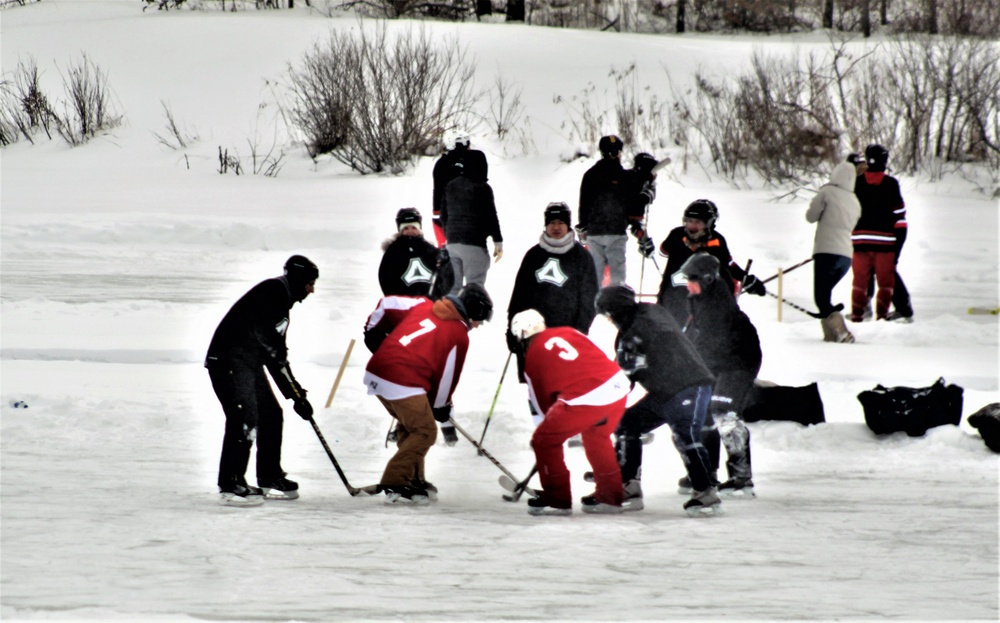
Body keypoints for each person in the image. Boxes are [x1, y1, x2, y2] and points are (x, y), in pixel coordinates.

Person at [594, 284, 722, 517]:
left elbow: (623, 380)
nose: (609, 321)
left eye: (608, 315)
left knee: (685, 433)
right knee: (628, 423)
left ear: (615, 312)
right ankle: (628, 486)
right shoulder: (652, 311)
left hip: (689, 386)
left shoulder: (634, 333)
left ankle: (706, 493)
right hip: (666, 390)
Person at [362, 284, 493, 505]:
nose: (478, 326)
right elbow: (447, 377)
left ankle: (414, 479)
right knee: (425, 432)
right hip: (401, 380)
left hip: (377, 372)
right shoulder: (459, 335)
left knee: (412, 426)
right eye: (479, 319)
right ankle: (395, 481)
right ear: (471, 313)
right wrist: (441, 406)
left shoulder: (424, 305)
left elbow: (387, 304)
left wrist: (371, 331)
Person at [205, 255, 318, 507]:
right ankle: (231, 481)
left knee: (271, 414)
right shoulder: (273, 292)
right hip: (227, 362)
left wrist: (295, 395)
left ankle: (269, 476)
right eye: (310, 282)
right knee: (244, 417)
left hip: (247, 363)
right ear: (299, 279)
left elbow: (273, 354)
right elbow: (271, 346)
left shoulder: (282, 300)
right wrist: (295, 392)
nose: (312, 289)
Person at [509, 309, 631, 516]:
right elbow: (595, 355)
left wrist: (548, 433)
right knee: (597, 437)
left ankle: (557, 499)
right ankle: (610, 497)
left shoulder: (532, 358)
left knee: (544, 441)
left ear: (521, 335)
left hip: (588, 397)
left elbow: (541, 407)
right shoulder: (569, 331)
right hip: (617, 385)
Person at [506, 202, 599, 424]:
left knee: (566, 380)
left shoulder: (581, 257)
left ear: (568, 226)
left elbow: (589, 298)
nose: (556, 227)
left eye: (561, 223)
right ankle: (542, 425)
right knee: (536, 382)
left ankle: (568, 423)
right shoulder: (533, 255)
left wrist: (580, 330)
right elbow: (518, 294)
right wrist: (511, 329)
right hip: (531, 333)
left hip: (566, 333)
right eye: (552, 223)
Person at [677, 253, 761, 497]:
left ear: (706, 279)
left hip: (739, 360)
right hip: (715, 361)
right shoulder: (697, 298)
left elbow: (712, 341)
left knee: (723, 413)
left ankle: (741, 478)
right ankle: (707, 471)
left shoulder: (717, 305)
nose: (687, 284)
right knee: (700, 412)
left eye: (692, 279)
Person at [655, 199, 766, 327]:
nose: (693, 226)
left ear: (709, 223)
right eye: (689, 221)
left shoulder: (716, 241)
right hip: (673, 298)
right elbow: (663, 251)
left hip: (703, 304)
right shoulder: (677, 235)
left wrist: (746, 279)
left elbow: (728, 265)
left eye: (698, 222)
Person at [576, 135, 646, 286]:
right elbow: (634, 199)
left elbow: (584, 203)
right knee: (617, 275)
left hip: (594, 233)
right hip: (616, 232)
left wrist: (583, 225)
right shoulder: (625, 176)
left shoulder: (590, 175)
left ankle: (595, 304)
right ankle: (616, 303)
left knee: (596, 276)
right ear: (618, 153)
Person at [853, 144, 913, 323]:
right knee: (888, 274)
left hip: (860, 241)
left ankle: (863, 310)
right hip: (885, 242)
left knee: (862, 276)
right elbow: (899, 217)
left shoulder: (856, 184)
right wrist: (898, 244)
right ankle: (902, 308)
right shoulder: (890, 184)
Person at [805, 160, 862, 343]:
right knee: (824, 296)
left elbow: (810, 216)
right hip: (846, 255)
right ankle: (830, 335)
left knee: (821, 297)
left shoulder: (827, 192)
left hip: (826, 251)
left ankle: (842, 331)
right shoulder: (855, 201)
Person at [440, 150, 503, 294]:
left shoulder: (450, 186)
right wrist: (497, 241)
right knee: (475, 288)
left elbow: (443, 215)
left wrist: (450, 234)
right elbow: (491, 216)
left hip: (453, 245)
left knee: (453, 289)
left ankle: (451, 314)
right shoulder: (483, 187)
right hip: (474, 245)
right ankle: (473, 316)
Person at [378, 207, 453, 300]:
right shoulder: (393, 253)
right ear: (400, 230)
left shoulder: (430, 250)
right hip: (404, 307)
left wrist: (446, 264)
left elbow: (445, 286)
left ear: (419, 227)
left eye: (414, 227)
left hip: (430, 306)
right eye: (406, 228)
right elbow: (386, 281)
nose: (410, 231)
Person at [431, 129, 471, 247]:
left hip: (444, 212)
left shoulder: (441, 163)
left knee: (447, 248)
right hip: (455, 213)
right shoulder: (462, 163)